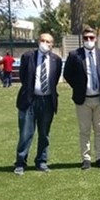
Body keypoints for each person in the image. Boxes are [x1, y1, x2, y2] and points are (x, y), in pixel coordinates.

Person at [63, 27, 100, 170]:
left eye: (91, 38)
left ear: (95, 39)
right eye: (86, 38)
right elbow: (67, 74)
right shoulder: (74, 55)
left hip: (99, 99)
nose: (89, 40)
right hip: (82, 100)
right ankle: (86, 159)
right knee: (84, 131)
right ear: (82, 39)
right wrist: (78, 87)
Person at [13, 33, 62, 175]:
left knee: (44, 134)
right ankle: (20, 162)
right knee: (26, 133)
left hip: (47, 101)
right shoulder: (28, 57)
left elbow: (55, 79)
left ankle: (41, 161)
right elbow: (23, 77)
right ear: (38, 41)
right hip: (29, 100)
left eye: (48, 41)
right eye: (43, 40)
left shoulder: (56, 60)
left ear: (52, 44)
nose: (45, 43)